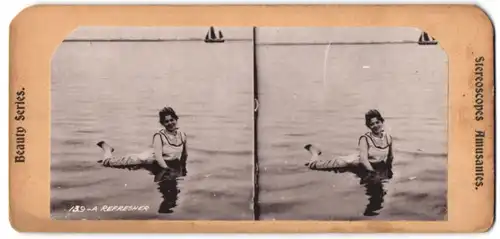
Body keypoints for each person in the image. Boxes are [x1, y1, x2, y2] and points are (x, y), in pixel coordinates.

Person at [304, 109, 394, 182]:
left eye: (377, 122)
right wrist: (374, 173)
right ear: (369, 126)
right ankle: (314, 152)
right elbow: (363, 160)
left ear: (382, 122)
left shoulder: (388, 138)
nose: (375, 126)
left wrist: (388, 171)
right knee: (313, 166)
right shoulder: (365, 138)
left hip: (369, 162)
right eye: (372, 124)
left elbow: (390, 157)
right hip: (351, 162)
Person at [96, 106, 188, 174]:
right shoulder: (159, 136)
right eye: (166, 121)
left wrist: (183, 168)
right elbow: (159, 158)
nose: (170, 123)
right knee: (108, 163)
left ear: (176, 119)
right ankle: (107, 149)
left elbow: (184, 154)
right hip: (143, 159)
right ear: (162, 124)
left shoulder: (182, 135)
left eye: (172, 120)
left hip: (158, 161)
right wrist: (167, 169)